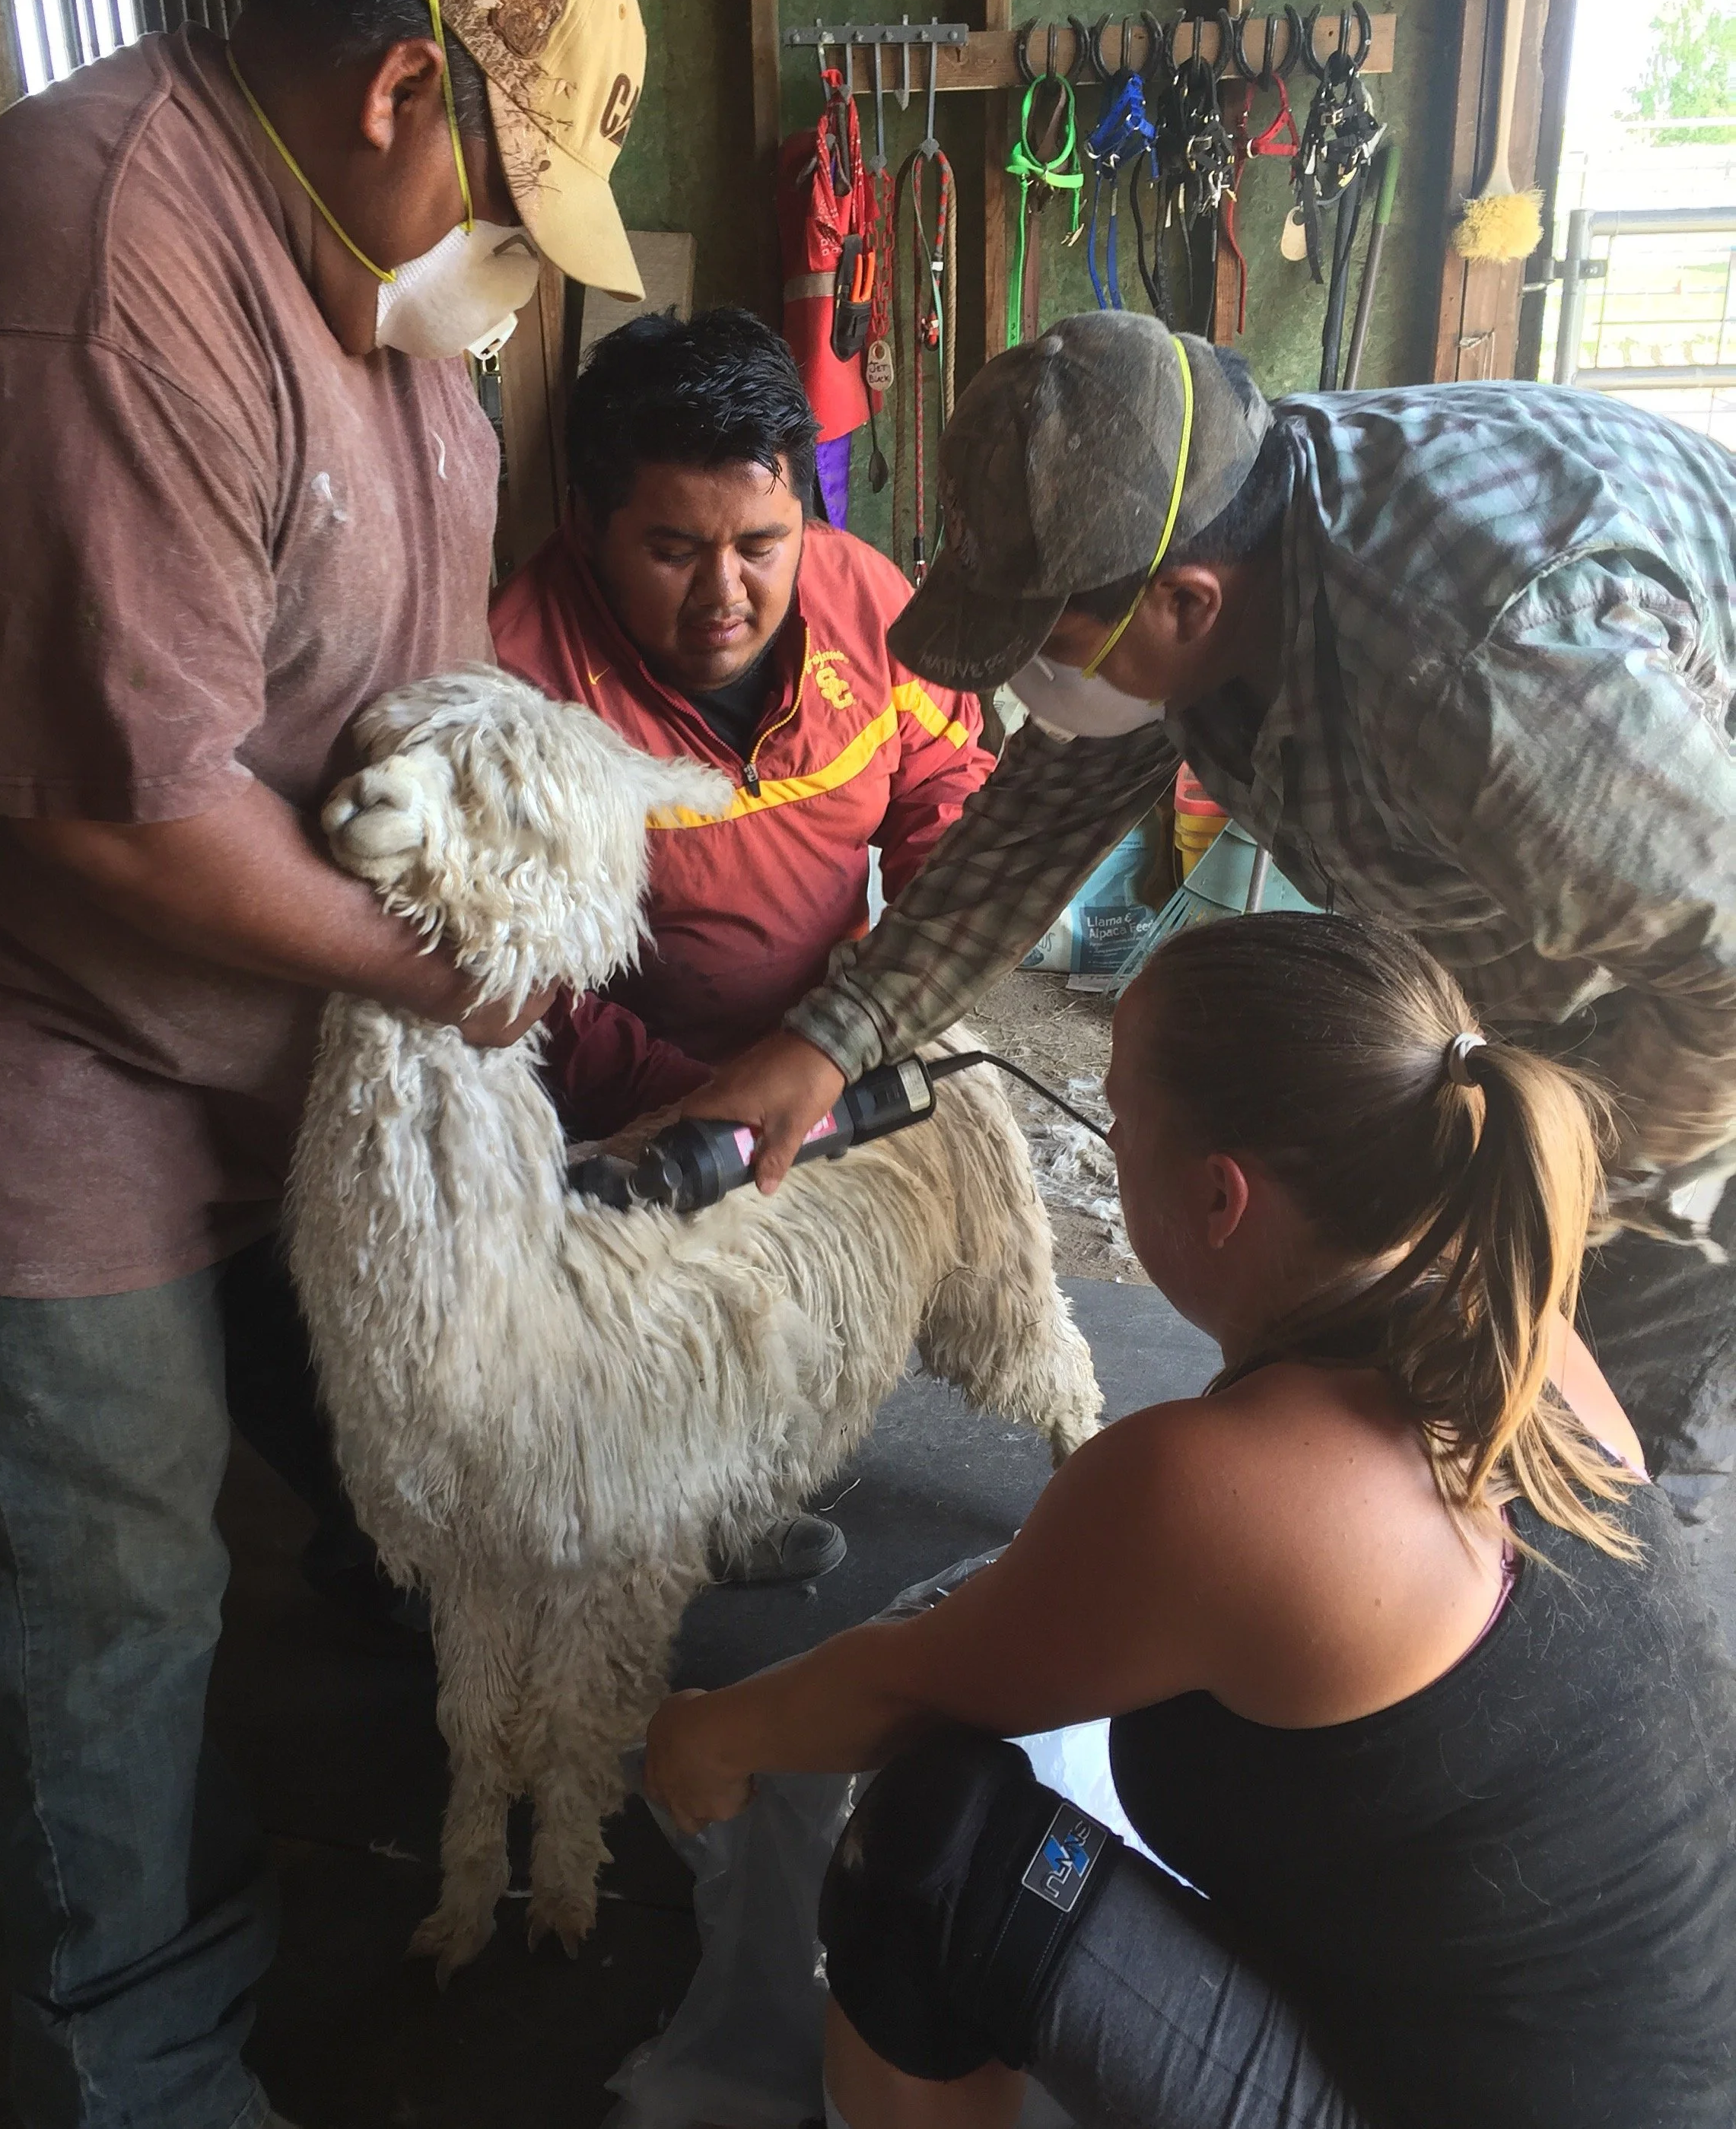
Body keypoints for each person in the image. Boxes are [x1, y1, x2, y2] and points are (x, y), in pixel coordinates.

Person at [0, 0, 635, 2129]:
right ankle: (143, 2059)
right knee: (108, 1604)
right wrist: (461, 959)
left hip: (284, 1029)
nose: (510, 277)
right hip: (38, 1042)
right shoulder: (101, 283)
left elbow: (419, 648)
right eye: (513, 214)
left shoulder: (367, 280)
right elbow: (116, 818)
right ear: (404, 87)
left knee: (398, 1424)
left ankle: (481, 1768)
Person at [646, 911, 1736, 2129]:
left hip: (1444, 2098)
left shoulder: (1221, 1487)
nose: (1104, 1136)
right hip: (1655, 2046)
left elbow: (904, 1688)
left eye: (1117, 1116)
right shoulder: (1525, 1332)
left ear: (1219, 1197)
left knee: (933, 1856)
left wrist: (708, 1732)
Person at [685, 313, 1736, 1532]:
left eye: (1051, 646)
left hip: (1698, 1024)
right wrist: (831, 1039)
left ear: (1186, 602)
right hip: (1585, 919)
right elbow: (1033, 822)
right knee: (1442, 1375)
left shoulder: (1488, 684)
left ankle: (1624, 1659)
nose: (1033, 688)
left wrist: (1564, 1200)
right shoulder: (1211, 532)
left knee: (1602, 1450)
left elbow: (1720, 974)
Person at [488, 307, 994, 1581]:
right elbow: (518, 976)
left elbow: (953, 801)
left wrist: (874, 1015)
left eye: (763, 543)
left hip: (837, 1038)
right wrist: (695, 1115)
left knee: (848, 1298)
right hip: (622, 1098)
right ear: (590, 524)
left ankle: (751, 1467)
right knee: (613, 1371)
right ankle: (647, 1516)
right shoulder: (515, 673)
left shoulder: (875, 604)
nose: (727, 593)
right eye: (672, 549)